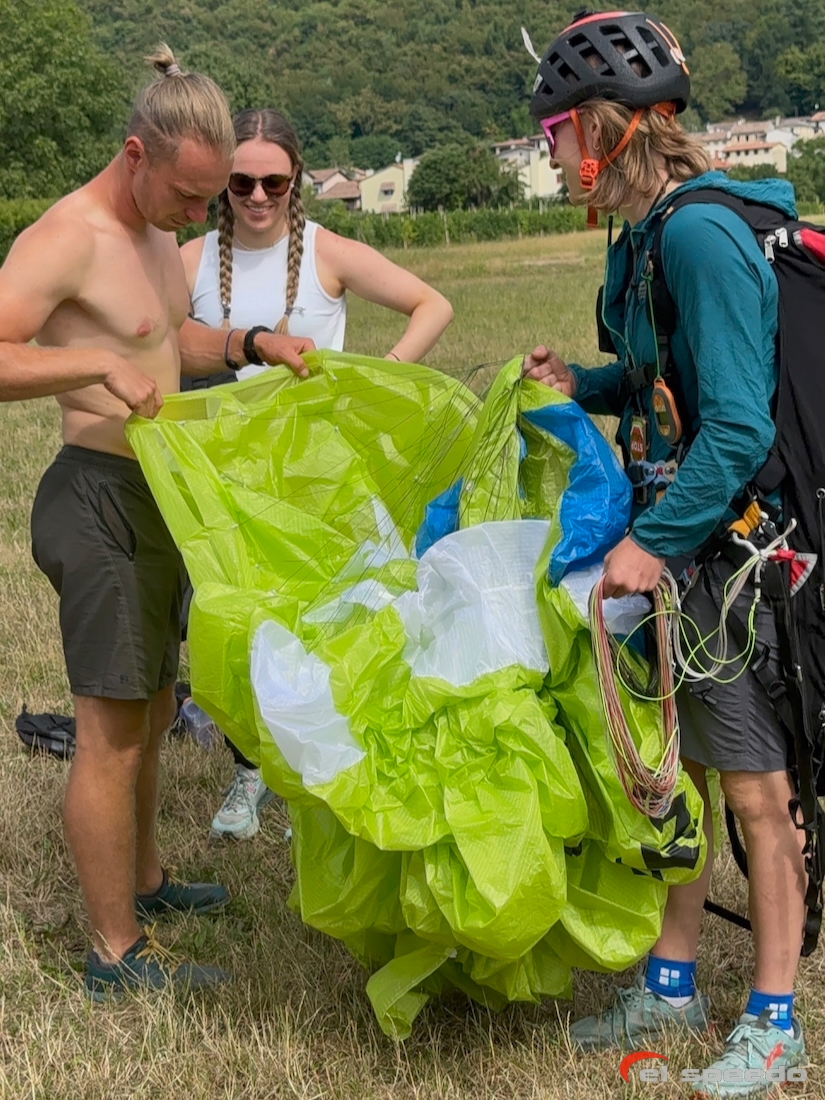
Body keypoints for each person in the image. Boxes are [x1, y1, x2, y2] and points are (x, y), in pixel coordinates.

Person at [522, 10, 808, 1096]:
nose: (548, 153)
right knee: (676, 778)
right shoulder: (643, 235)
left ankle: (775, 1020)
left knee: (754, 788)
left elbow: (738, 426)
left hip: (728, 552)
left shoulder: (697, 233)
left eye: (553, 130)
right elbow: (664, 387)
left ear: (601, 128)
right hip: (679, 538)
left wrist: (648, 540)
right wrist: (583, 388)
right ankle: (673, 981)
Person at [0, 47, 311, 999]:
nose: (199, 217)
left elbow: (160, 335)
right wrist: (91, 370)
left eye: (209, 199)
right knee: (112, 730)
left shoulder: (148, 235)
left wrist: (250, 344)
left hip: (158, 494)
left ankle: (145, 884)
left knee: (149, 705)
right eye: (187, 196)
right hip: (94, 497)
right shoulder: (68, 236)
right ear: (136, 154)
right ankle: (113, 954)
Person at [178, 107, 454, 841]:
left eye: (273, 179)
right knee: (241, 624)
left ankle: (325, 773)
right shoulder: (190, 259)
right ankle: (252, 770)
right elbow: (155, 339)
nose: (258, 195)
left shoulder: (327, 250)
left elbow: (432, 304)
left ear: (296, 177)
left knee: (336, 620)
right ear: (222, 184)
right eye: (241, 181)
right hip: (229, 477)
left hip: (321, 477)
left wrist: (380, 377)